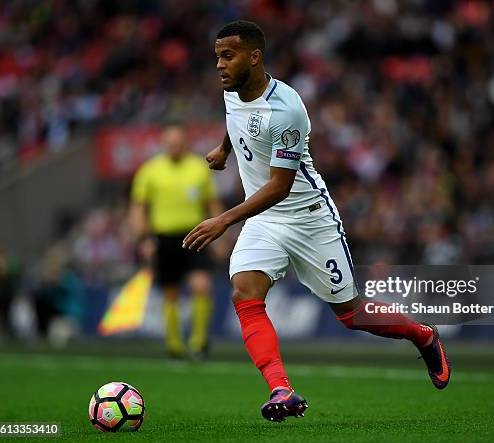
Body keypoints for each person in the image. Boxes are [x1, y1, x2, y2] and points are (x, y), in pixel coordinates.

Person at [182, 21, 451, 422]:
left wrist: (224, 220)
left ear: (254, 57)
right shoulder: (233, 89)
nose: (219, 65)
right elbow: (237, 119)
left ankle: (422, 335)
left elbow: (280, 186)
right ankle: (281, 388)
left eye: (228, 56)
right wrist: (224, 150)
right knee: (244, 293)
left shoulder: (286, 108)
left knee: (352, 315)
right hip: (263, 219)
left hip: (308, 219)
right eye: (218, 56)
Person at [131, 122, 223, 358]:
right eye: (170, 143)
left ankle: (198, 342)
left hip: (195, 233)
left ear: (185, 142)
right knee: (170, 291)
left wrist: (221, 234)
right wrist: (143, 239)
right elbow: (139, 208)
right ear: (163, 143)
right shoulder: (150, 170)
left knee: (201, 285)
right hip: (164, 238)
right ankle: (174, 344)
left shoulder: (199, 168)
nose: (175, 147)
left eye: (178, 143)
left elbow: (212, 203)